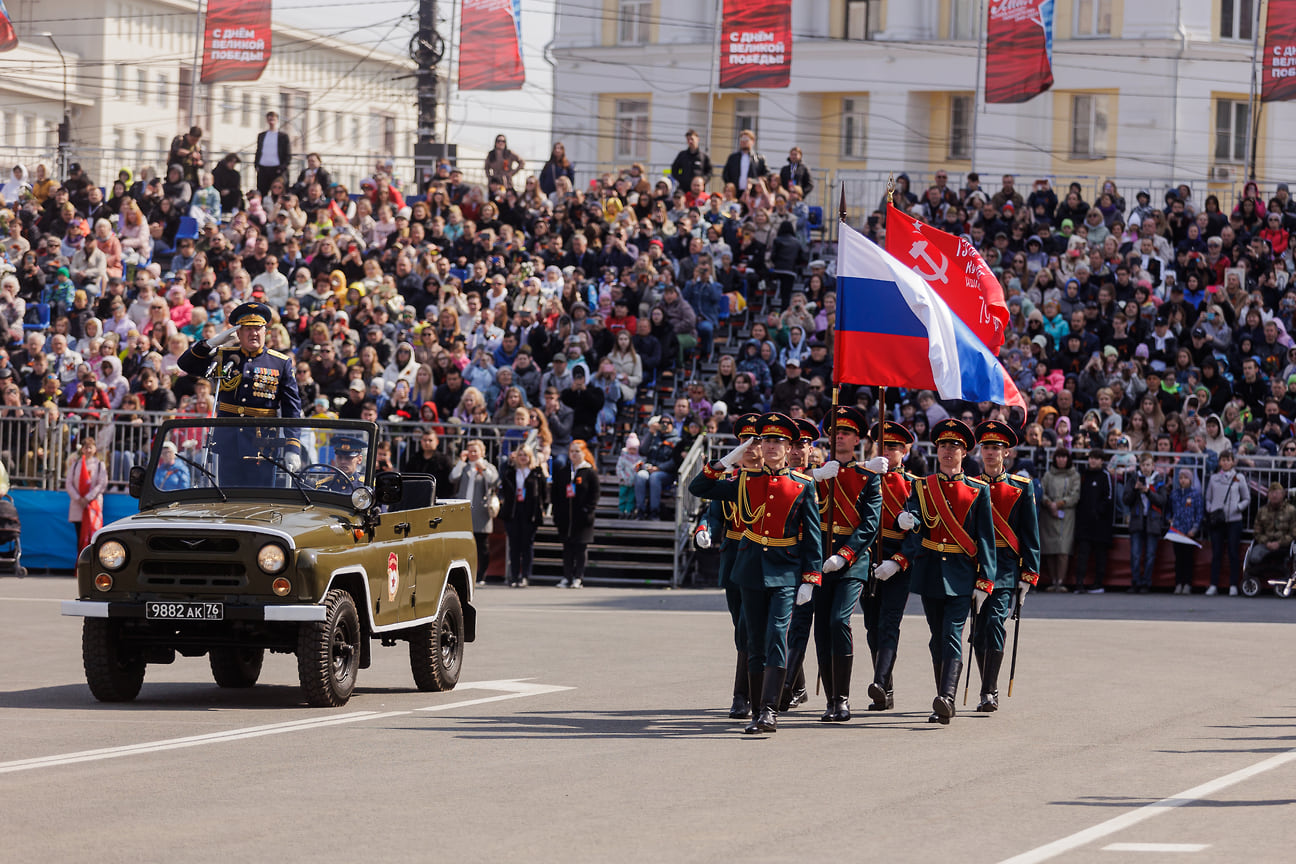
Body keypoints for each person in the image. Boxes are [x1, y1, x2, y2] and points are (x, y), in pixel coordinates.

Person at [689, 412, 823, 735]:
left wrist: (810, 577)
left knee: (777, 635)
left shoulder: (802, 485)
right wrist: (726, 460)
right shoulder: (744, 481)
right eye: (767, 440)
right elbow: (699, 487)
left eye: (779, 441)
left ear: (789, 446)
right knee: (753, 640)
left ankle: (768, 710)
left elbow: (813, 536)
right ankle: (752, 705)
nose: (773, 446)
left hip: (784, 572)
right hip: (749, 571)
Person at [876, 419, 995, 726]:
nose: (946, 451)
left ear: (964, 452)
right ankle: (943, 693)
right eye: (942, 446)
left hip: (961, 572)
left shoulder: (978, 490)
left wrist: (985, 579)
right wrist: (908, 518)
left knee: (953, 635)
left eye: (953, 446)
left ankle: (947, 698)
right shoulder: (922, 485)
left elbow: (986, 539)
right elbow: (916, 514)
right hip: (930, 572)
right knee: (936, 637)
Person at [176, 301, 302, 484]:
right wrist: (210, 343)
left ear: (265, 331)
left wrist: (293, 447)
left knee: (260, 501)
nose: (254, 333)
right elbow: (185, 364)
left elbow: (292, 409)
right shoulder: (224, 356)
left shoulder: (280, 363)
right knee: (227, 499)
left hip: (262, 446)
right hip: (229, 441)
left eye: (258, 328)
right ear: (239, 333)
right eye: (247, 329)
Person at [815, 407, 887, 722]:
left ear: (857, 439)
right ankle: (831, 699)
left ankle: (842, 699)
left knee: (839, 621)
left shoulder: (868, 477)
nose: (839, 436)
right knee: (821, 630)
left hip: (852, 561)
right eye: (834, 432)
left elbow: (870, 525)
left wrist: (844, 555)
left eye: (845, 432)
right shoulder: (815, 473)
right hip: (818, 557)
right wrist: (816, 476)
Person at [693, 413, 762, 720]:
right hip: (734, 552)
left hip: (766, 555)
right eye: (744, 442)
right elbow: (712, 512)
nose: (750, 447)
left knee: (751, 626)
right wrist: (703, 529)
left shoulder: (779, 479)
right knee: (741, 626)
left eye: (756, 441)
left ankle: (742, 695)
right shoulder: (729, 481)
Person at [970, 421, 1040, 713]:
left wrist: (1028, 575)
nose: (990, 452)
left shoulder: (1021, 488)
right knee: (977, 632)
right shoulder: (970, 485)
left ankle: (989, 690)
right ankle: (988, 682)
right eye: (986, 447)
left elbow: (1030, 533)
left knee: (996, 623)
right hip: (975, 568)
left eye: (996, 448)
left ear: (1006, 453)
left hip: (1006, 567)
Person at [861, 421, 917, 711]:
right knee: (872, 625)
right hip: (866, 557)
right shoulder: (864, 477)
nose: (887, 451)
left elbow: (920, 533)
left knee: (889, 623)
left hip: (897, 562)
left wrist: (898, 561)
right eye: (882, 446)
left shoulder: (913, 484)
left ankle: (880, 682)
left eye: (893, 447)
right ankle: (887, 688)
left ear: (904, 452)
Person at [450, 438, 500, 587]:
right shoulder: (464, 467)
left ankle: (481, 574)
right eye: (470, 450)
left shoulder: (488, 467)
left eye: (475, 451)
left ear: (482, 452)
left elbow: (495, 481)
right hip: (464, 511)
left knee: (481, 545)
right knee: (463, 545)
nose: (472, 453)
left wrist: (483, 469)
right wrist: (461, 461)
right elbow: (453, 477)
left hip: (481, 511)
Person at [552, 439, 599, 589]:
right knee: (567, 548)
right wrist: (557, 512)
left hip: (582, 518)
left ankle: (578, 576)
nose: (574, 454)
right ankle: (566, 576)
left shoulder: (589, 472)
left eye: (577, 451)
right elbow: (556, 493)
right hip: (566, 518)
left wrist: (587, 510)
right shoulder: (563, 471)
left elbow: (595, 494)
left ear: (584, 453)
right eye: (571, 451)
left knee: (580, 548)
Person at [499, 443, 547, 588]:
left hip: (529, 511)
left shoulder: (536, 472)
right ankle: (514, 576)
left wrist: (542, 508)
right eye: (520, 455)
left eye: (525, 455)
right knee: (514, 546)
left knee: (527, 545)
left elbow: (544, 492)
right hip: (513, 510)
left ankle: (525, 575)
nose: (522, 458)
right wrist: (508, 462)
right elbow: (503, 482)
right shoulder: (510, 471)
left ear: (530, 457)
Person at [1073, 448, 1115, 594]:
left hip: (1100, 524)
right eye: (1091, 458)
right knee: (1082, 554)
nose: (1093, 461)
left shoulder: (1105, 476)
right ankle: (1079, 584)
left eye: (1096, 458)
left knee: (1100, 555)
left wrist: (1098, 512)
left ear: (1102, 461)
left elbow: (1109, 498)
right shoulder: (1083, 475)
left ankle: (1098, 584)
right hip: (1084, 524)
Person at [1123, 454, 1166, 593]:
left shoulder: (1159, 480)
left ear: (1153, 466)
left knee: (1150, 555)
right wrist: (1136, 489)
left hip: (1153, 520)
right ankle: (1135, 581)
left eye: (1148, 465)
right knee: (1135, 554)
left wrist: (1148, 492)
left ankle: (1146, 582)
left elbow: (1162, 501)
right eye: (1143, 465)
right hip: (1137, 520)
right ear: (1139, 466)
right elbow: (1126, 500)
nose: (1146, 468)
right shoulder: (1133, 479)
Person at [1040, 447, 1080, 591]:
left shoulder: (1074, 476)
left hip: (1066, 515)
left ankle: (1061, 581)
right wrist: (1049, 504)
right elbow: (1041, 491)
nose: (1061, 460)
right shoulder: (1048, 475)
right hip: (1049, 514)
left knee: (1063, 550)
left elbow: (1075, 495)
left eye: (1064, 457)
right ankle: (1053, 580)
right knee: (1050, 549)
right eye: (1059, 457)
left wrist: (1059, 504)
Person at [1245, 481, 1296, 586]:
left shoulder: (1291, 510)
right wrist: (1267, 542)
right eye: (1272, 493)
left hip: (1284, 545)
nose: (1274, 495)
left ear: (1283, 494)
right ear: (1268, 495)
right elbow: (1257, 532)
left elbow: (1293, 532)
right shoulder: (1262, 511)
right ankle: (1252, 578)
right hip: (1265, 544)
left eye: (1277, 493)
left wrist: (1279, 543)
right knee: (1254, 557)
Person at [66, 435, 107, 553]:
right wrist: (79, 498)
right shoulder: (75, 465)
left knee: (93, 537)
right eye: (85, 448)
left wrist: (88, 498)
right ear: (82, 449)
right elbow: (69, 483)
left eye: (90, 447)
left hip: (93, 505)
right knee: (80, 537)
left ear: (95, 449)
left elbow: (102, 484)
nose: (88, 450)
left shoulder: (100, 465)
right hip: (78, 505)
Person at [1168, 468, 1205, 595]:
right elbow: (1169, 510)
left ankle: (1187, 583)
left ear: (1190, 479)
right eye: (1180, 478)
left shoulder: (1195, 495)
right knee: (1178, 559)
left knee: (1188, 558)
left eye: (1185, 478)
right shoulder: (1174, 494)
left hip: (1189, 532)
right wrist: (1170, 520)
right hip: (1177, 531)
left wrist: (1194, 529)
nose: (1182, 480)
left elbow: (1199, 513)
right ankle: (1178, 583)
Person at [254, 111, 291, 196]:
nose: (271, 122)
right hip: (263, 168)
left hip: (277, 169)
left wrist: (282, 168)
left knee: (278, 192)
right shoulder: (262, 135)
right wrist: (256, 165)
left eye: (273, 120)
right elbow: (258, 151)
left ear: (277, 120)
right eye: (269, 120)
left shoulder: (283, 136)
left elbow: (287, 154)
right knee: (262, 192)